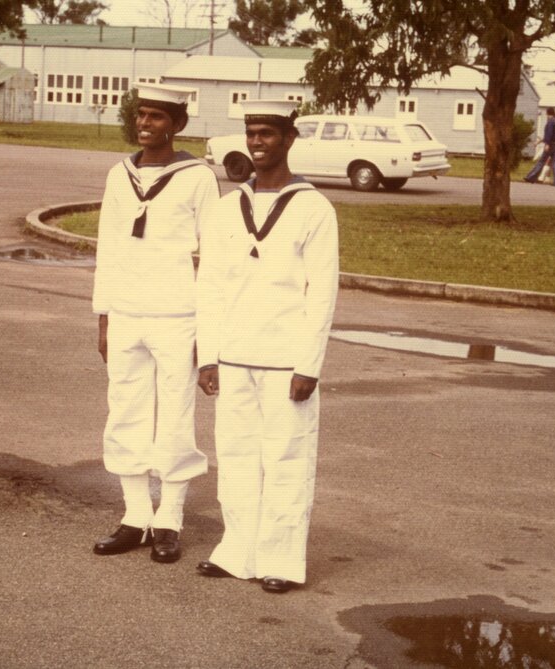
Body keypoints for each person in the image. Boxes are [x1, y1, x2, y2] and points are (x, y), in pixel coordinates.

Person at [195, 99, 339, 594]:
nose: (257, 142)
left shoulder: (314, 208)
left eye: (268, 134)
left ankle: (280, 559)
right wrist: (207, 355)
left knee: (285, 458)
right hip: (234, 355)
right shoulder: (226, 207)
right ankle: (237, 551)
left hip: (285, 360)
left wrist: (309, 364)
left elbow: (322, 291)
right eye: (251, 133)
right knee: (235, 458)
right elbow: (210, 285)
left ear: (289, 139)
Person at [91, 83, 219, 564]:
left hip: (177, 315)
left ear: (177, 124)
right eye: (141, 116)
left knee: (175, 416)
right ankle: (135, 516)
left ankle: (170, 519)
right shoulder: (118, 175)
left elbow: (214, 255)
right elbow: (108, 248)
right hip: (126, 313)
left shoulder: (197, 177)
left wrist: (206, 330)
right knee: (125, 410)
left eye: (157, 117)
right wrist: (104, 318)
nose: (145, 124)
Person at [524, 107, 555, 185]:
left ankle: (531, 177)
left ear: (548, 113)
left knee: (541, 161)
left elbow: (548, 135)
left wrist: (547, 144)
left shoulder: (550, 122)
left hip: (550, 144)